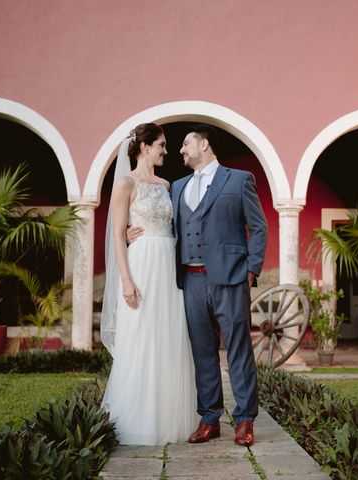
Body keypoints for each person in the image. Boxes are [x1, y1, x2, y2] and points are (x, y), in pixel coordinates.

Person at [129, 124, 268, 447]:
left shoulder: (239, 179)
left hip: (231, 277)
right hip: (190, 279)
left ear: (204, 145)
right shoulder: (176, 187)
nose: (180, 151)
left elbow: (258, 227)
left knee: (238, 349)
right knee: (202, 351)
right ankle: (209, 418)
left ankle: (245, 419)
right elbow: (158, 222)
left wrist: (251, 269)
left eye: (186, 144)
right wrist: (126, 234)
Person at [101, 123, 198, 445]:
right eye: (161, 145)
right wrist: (126, 280)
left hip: (167, 263)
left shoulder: (167, 184)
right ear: (144, 146)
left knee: (167, 336)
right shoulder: (125, 184)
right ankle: (136, 418)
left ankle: (169, 418)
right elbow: (117, 235)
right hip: (141, 264)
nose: (166, 151)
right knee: (140, 334)